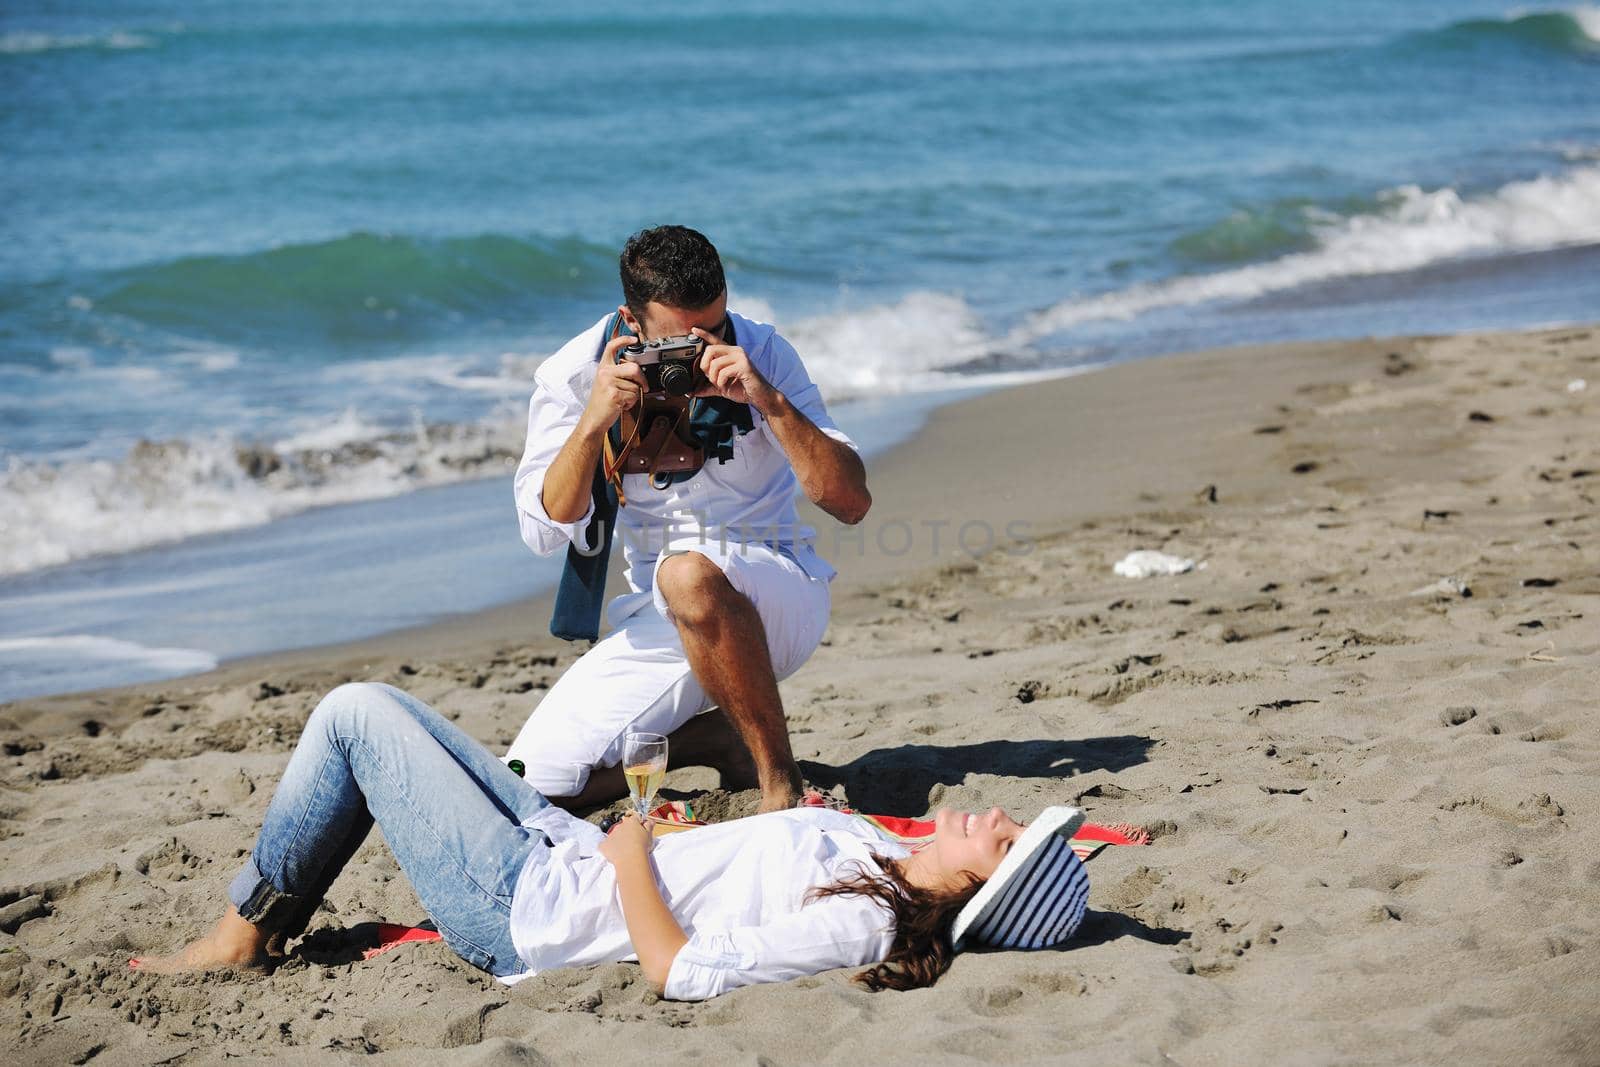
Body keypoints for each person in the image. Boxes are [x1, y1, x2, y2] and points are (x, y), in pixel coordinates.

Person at [131, 683, 1091, 999]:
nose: (1000, 818)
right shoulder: (881, 854)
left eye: (1007, 844)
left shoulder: (863, 929)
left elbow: (683, 972)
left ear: (974, 896)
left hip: (527, 910)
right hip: (559, 849)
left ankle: (244, 934)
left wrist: (633, 856)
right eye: (1019, 822)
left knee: (351, 715)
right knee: (391, 710)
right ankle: (261, 912)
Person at [507, 225, 871, 814]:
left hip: (778, 589)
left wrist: (767, 399)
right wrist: (593, 422)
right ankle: (708, 739)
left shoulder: (762, 351)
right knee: (529, 786)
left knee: (687, 572)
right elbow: (544, 530)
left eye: (715, 327)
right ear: (632, 318)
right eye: (681, 342)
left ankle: (781, 785)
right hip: (661, 614)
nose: (703, 350)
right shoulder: (576, 374)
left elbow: (850, 502)